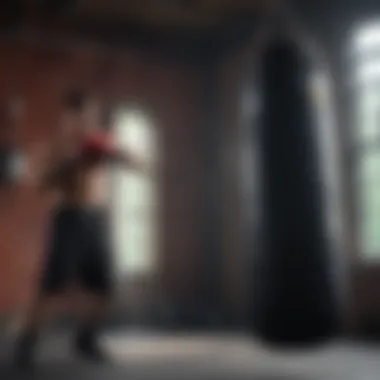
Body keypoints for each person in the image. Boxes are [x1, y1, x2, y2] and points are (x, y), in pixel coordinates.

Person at [14, 90, 148, 368]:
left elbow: (140, 165)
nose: (87, 120)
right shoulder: (56, 147)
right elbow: (40, 184)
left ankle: (86, 339)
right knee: (51, 286)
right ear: (68, 117)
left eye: (91, 115)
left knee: (103, 286)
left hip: (96, 218)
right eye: (81, 115)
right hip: (69, 218)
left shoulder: (99, 143)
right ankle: (26, 343)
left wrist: (119, 152)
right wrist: (69, 163)